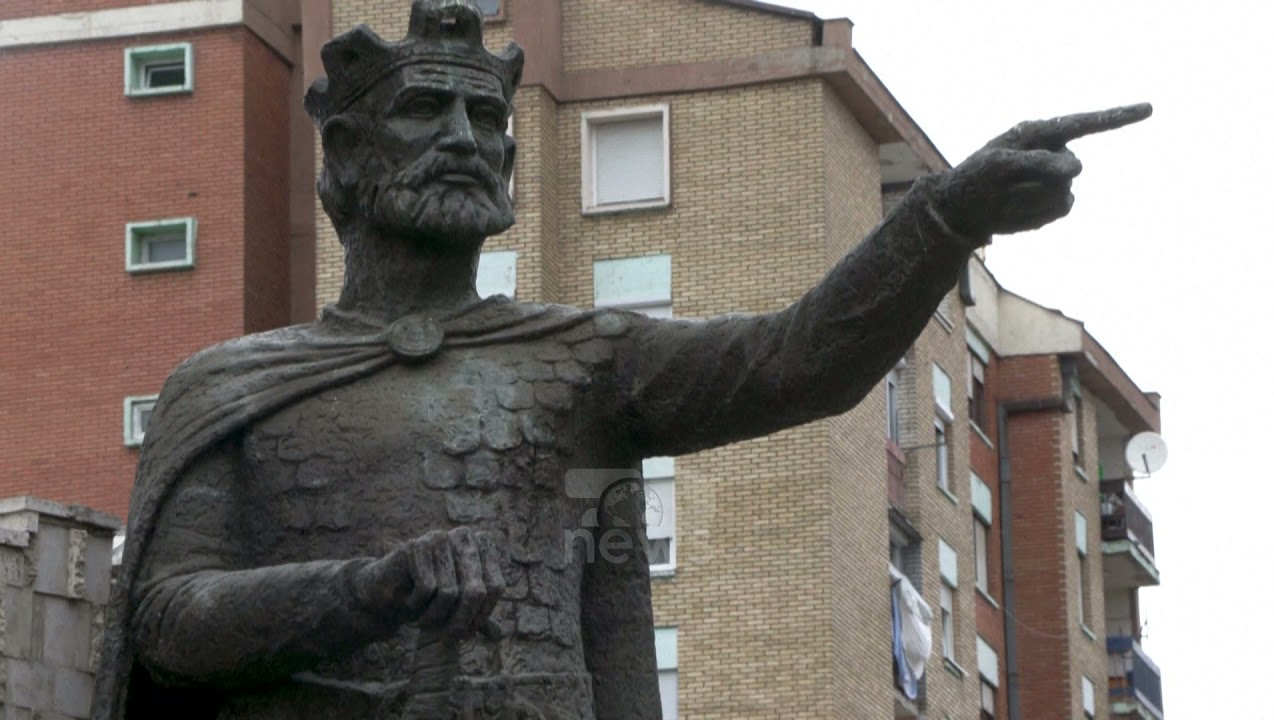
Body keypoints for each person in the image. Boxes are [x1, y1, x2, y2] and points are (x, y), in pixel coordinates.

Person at [91, 1, 1149, 718]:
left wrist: (944, 217)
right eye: (423, 110)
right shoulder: (231, 388)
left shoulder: (582, 361)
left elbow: (798, 361)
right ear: (345, 160)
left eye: (486, 116)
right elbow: (169, 623)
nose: (464, 136)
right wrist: (366, 589)